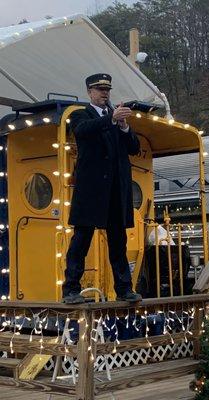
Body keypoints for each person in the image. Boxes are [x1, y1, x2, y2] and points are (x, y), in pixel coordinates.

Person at [62, 73, 142, 304]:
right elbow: (82, 131)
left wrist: (125, 126)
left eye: (106, 89)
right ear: (89, 92)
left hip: (116, 191)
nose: (104, 93)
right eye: (99, 89)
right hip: (91, 191)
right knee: (81, 240)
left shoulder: (116, 119)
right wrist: (111, 119)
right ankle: (70, 289)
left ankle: (124, 289)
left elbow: (134, 148)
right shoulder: (80, 114)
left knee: (119, 242)